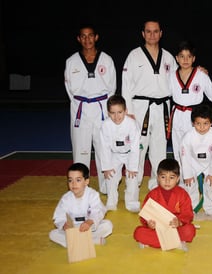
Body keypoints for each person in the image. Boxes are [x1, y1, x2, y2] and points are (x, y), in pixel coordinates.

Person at [121, 19, 178, 194]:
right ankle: (132, 191)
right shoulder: (134, 55)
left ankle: (158, 189)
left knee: (159, 151)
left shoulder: (168, 56)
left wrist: (198, 72)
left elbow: (179, 79)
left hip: (162, 108)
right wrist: (128, 112)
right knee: (138, 150)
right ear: (143, 34)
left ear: (161, 33)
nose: (152, 35)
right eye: (148, 31)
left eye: (155, 31)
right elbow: (126, 85)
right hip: (140, 108)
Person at [64, 24, 117, 194]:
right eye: (83, 36)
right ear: (79, 39)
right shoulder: (71, 61)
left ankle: (106, 186)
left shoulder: (107, 60)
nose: (87, 39)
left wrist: (106, 108)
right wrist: (82, 103)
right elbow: (69, 90)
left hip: (101, 108)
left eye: (90, 35)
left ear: (96, 37)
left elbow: (112, 87)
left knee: (104, 149)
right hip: (80, 108)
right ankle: (80, 187)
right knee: (81, 150)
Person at [168, 40, 212, 167]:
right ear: (177, 58)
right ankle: (181, 181)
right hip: (177, 114)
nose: (185, 60)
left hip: (195, 116)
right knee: (178, 148)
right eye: (182, 56)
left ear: (194, 58)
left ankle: (196, 177)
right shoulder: (171, 76)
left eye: (189, 56)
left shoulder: (201, 75)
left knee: (195, 147)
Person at [134, 158, 196, 249]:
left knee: (190, 230)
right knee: (138, 232)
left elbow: (188, 214)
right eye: (163, 177)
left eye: (171, 177)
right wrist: (149, 223)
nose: (167, 181)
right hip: (157, 230)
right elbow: (144, 215)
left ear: (178, 179)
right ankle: (175, 243)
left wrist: (179, 222)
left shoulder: (182, 194)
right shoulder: (152, 195)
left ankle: (158, 243)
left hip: (175, 229)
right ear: (158, 178)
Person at [49, 163, 113, 247]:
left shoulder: (92, 195)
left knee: (107, 225)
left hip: (89, 227)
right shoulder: (66, 198)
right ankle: (91, 241)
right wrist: (64, 225)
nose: (74, 184)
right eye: (70, 180)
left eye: (78, 180)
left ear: (86, 181)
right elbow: (59, 217)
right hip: (74, 228)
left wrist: (89, 222)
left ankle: (75, 242)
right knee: (53, 234)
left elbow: (98, 211)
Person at [99, 94, 141, 212]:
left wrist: (132, 167)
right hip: (114, 154)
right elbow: (104, 147)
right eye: (113, 113)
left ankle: (132, 203)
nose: (116, 117)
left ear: (126, 111)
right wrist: (106, 167)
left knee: (132, 177)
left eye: (120, 112)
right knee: (111, 177)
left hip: (130, 153)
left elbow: (135, 148)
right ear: (108, 113)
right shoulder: (106, 125)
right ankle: (111, 202)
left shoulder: (132, 124)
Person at [179, 104, 212, 219]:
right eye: (198, 124)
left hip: (209, 164)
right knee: (190, 184)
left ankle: (209, 207)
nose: (202, 127)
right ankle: (192, 207)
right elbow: (185, 157)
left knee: (210, 184)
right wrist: (187, 174)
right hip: (193, 163)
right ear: (193, 123)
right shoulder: (188, 136)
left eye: (205, 124)